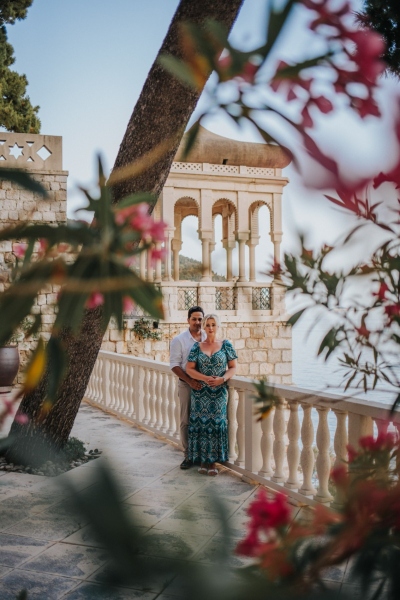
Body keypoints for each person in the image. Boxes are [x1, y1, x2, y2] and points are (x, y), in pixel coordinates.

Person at [186, 313, 237, 476]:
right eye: (207, 325)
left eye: (213, 324)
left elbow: (234, 367)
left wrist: (222, 379)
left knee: (215, 425)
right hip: (200, 393)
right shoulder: (197, 346)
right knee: (201, 424)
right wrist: (205, 378)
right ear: (204, 327)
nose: (210, 328)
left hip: (219, 393)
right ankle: (202, 460)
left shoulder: (226, 345)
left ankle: (213, 462)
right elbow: (189, 369)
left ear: (218, 326)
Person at [170, 306, 206, 469]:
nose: (198, 322)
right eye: (194, 319)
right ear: (188, 320)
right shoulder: (179, 340)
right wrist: (190, 381)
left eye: (200, 319)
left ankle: (201, 454)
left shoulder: (207, 337)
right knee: (186, 420)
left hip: (205, 386)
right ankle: (188, 455)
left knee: (203, 420)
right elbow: (174, 365)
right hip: (187, 384)